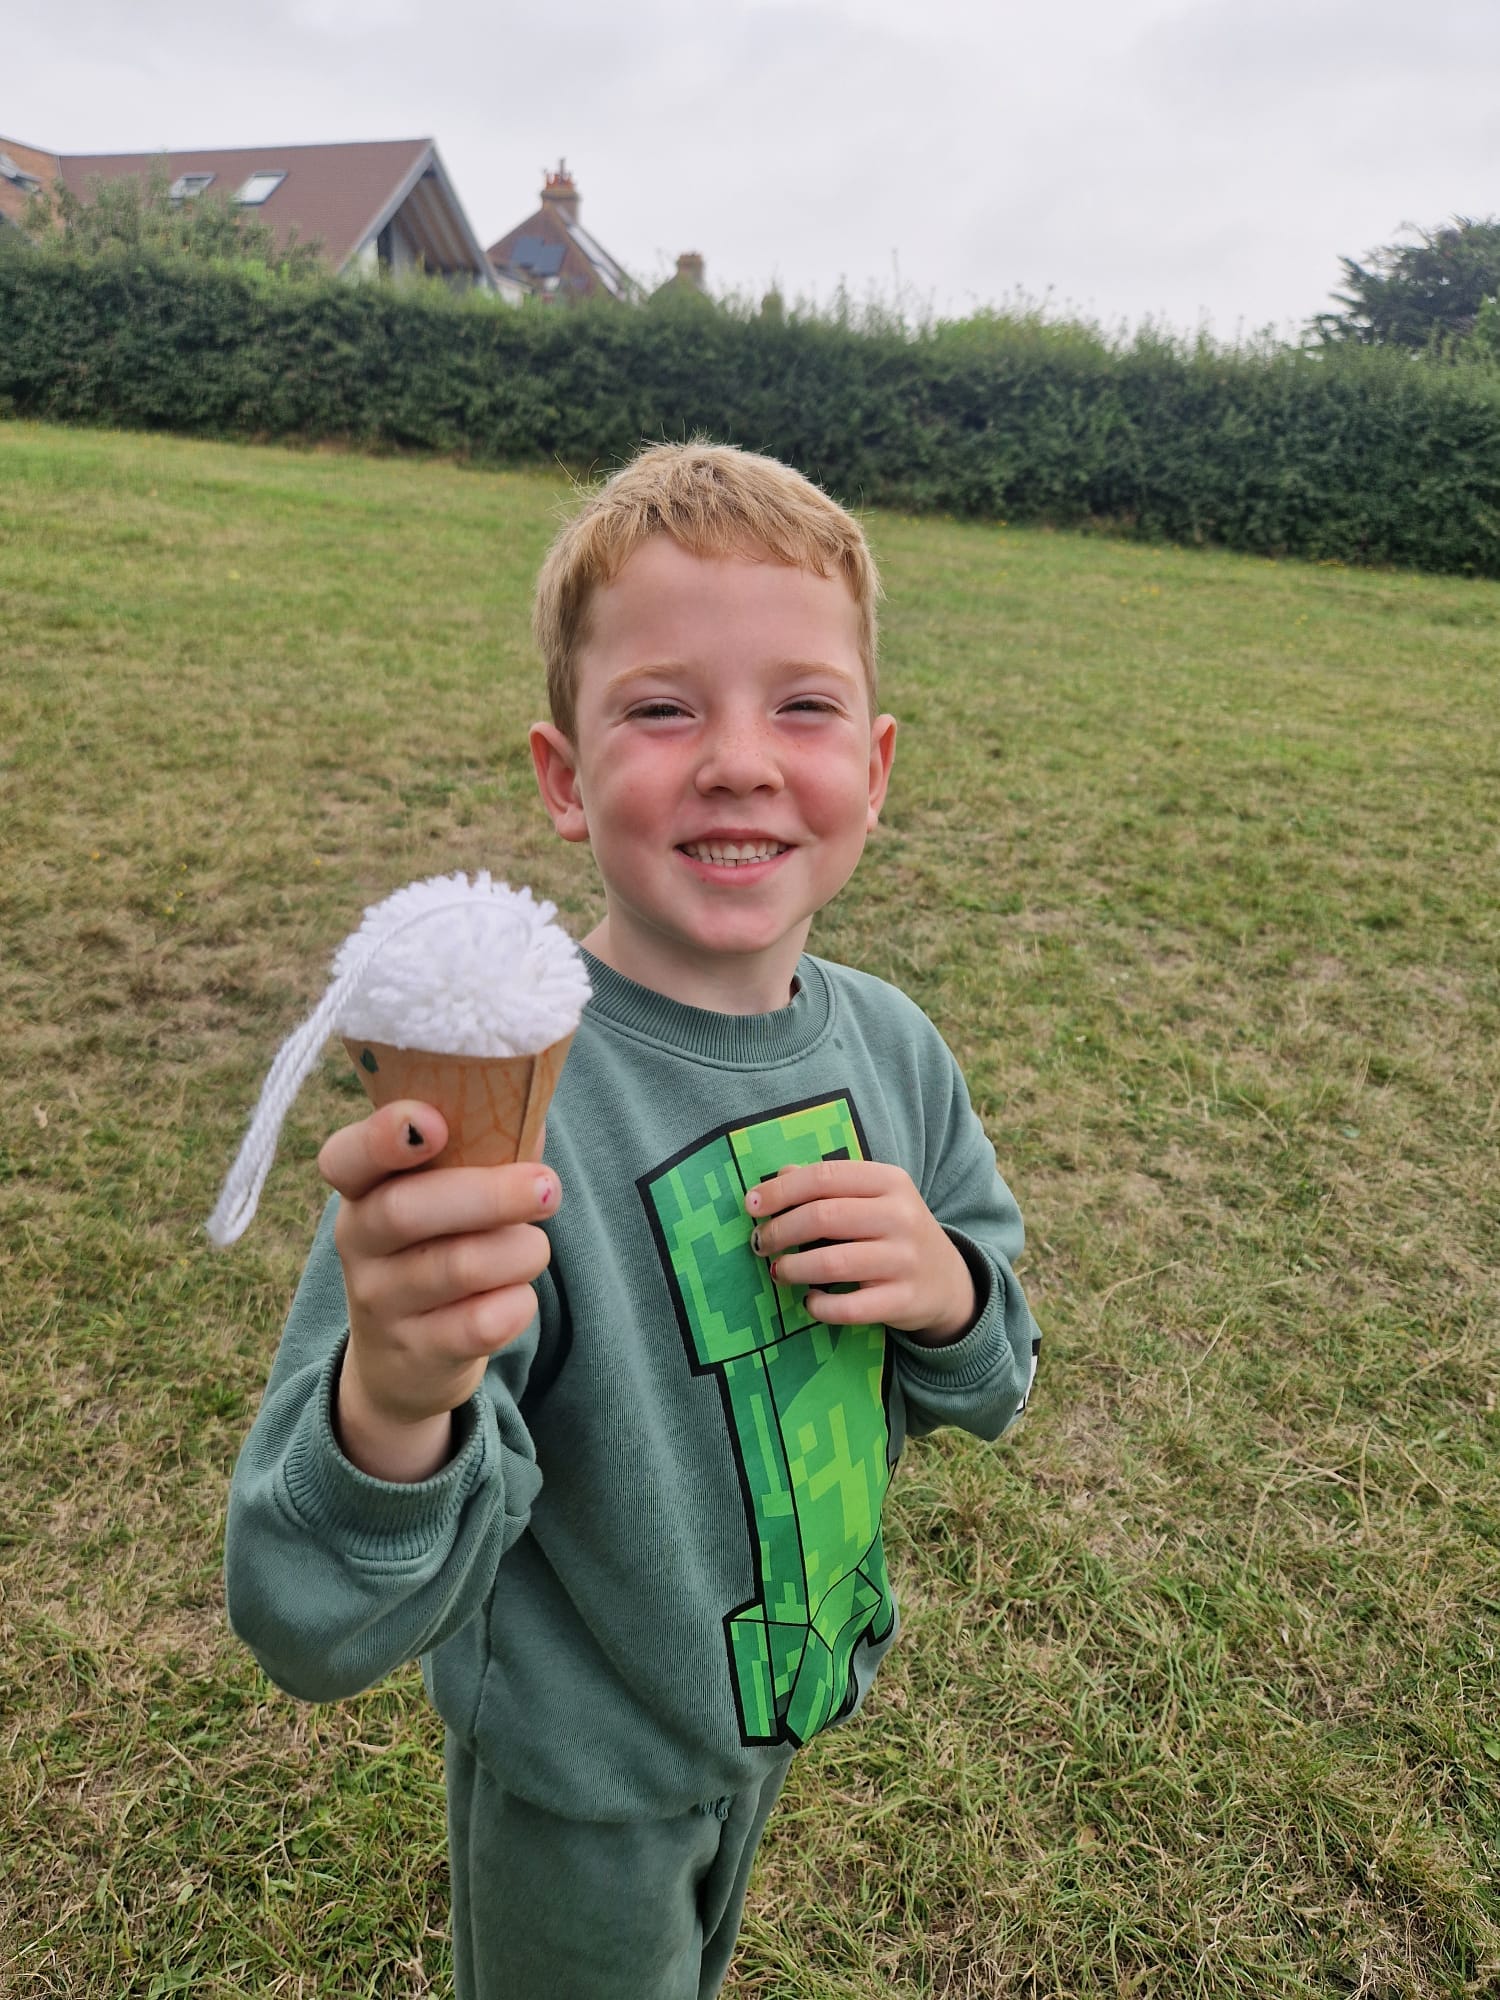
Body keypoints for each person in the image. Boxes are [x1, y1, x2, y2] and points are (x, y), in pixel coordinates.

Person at [225, 441, 1041, 1999]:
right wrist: (396, 1394)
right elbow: (309, 1621)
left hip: (770, 1709)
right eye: (663, 708)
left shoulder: (896, 1051)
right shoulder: (507, 1117)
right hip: (581, 1779)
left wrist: (945, 1291)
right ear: (563, 774)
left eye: (800, 706)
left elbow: (994, 1373)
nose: (739, 759)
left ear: (873, 768)